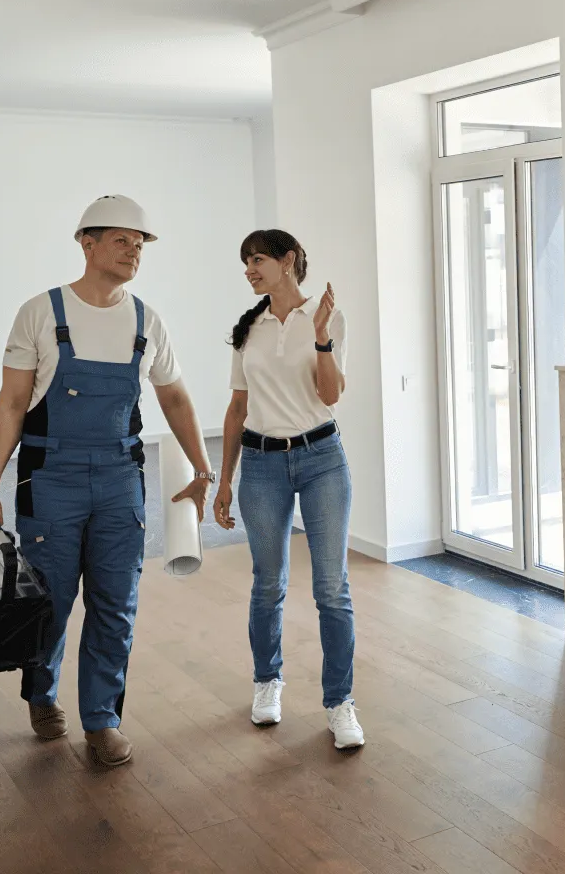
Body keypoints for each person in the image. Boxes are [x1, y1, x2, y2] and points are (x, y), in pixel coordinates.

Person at [0, 195, 216, 766]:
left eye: (140, 244)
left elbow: (175, 395)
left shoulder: (145, 319)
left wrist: (203, 469)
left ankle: (102, 719)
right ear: (87, 243)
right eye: (122, 241)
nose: (134, 253)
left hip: (119, 476)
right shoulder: (40, 311)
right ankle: (41, 692)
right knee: (51, 599)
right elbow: (10, 405)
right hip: (49, 475)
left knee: (115, 602)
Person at [212, 229, 363, 749]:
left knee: (331, 588)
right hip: (259, 464)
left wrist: (321, 336)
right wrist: (224, 480)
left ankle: (340, 703)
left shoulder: (328, 318)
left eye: (257, 260)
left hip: (321, 457)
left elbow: (331, 394)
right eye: (245, 262)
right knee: (267, 583)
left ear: (289, 260)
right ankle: (266, 682)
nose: (249, 270)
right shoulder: (248, 329)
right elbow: (236, 409)